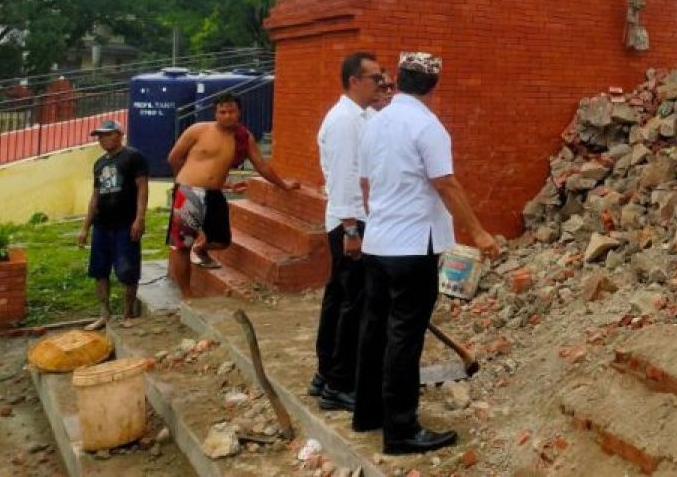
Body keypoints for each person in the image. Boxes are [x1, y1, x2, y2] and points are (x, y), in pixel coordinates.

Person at [354, 52, 499, 455]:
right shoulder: (427, 126)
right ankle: (400, 431)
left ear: (397, 79)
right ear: (434, 84)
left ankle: (367, 414)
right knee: (404, 336)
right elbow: (446, 184)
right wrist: (479, 232)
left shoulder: (375, 123)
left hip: (378, 243)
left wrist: (380, 219)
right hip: (412, 247)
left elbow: (365, 185)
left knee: (375, 330)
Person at [166, 93, 298, 294]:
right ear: (216, 113)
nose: (227, 116)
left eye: (231, 111)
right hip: (189, 192)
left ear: (239, 112)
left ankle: (202, 249)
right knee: (182, 246)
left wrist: (283, 185)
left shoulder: (243, 137)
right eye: (222, 112)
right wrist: (183, 185)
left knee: (222, 241)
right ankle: (187, 293)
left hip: (215, 193)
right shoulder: (198, 130)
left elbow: (261, 165)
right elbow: (174, 158)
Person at [310, 51, 383, 412]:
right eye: (375, 78)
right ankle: (339, 383)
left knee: (339, 297)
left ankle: (326, 373)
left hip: (348, 220)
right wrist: (352, 229)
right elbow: (344, 178)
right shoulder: (343, 122)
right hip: (347, 223)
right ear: (355, 81)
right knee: (352, 303)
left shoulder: (362, 116)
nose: (381, 84)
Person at [78, 120, 148, 331]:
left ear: (118, 134)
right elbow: (95, 196)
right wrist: (85, 227)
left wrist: (140, 218)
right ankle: (105, 314)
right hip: (102, 225)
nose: (101, 139)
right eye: (99, 136)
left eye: (106, 134)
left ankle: (127, 313)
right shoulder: (99, 164)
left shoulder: (133, 157)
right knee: (99, 271)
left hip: (125, 224)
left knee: (128, 270)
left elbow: (143, 189)